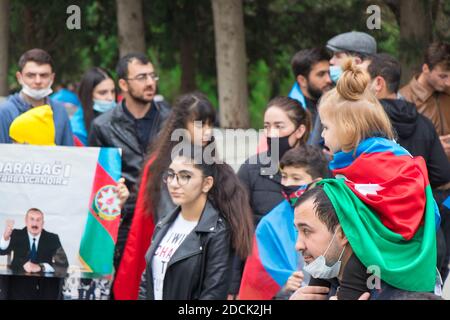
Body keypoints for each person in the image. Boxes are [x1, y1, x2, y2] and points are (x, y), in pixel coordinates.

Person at [308, 60, 439, 299]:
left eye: (326, 127)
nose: (322, 135)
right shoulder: (386, 155)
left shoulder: (370, 164)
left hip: (393, 261)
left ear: (347, 127)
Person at [113, 92, 216, 300]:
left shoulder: (206, 158)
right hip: (176, 258)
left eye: (210, 125)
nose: (207, 132)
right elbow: (172, 218)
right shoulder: (167, 164)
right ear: (182, 126)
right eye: (199, 125)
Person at [88, 53, 171, 270]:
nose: (151, 82)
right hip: (125, 222)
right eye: (142, 77)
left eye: (153, 76)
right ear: (123, 84)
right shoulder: (103, 126)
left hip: (167, 217)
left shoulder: (172, 120)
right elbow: (97, 185)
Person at [138, 144, 253, 300]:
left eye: (185, 176)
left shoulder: (217, 231)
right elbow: (147, 283)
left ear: (207, 183)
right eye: (171, 175)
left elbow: (213, 294)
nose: (174, 183)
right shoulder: (164, 224)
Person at [290, 184, 439, 300]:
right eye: (297, 231)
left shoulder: (400, 293)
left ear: (343, 234)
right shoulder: (321, 286)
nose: (298, 245)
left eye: (307, 231)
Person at [239, 145, 329, 300]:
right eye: (284, 176)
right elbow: (256, 281)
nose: (287, 184)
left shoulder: (332, 217)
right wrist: (283, 288)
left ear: (316, 183)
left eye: (296, 178)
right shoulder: (269, 224)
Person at [0, 48, 73, 146]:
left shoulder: (60, 111)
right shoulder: (4, 112)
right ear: (19, 77)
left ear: (52, 78)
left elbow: (69, 154)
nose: (38, 81)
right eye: (31, 75)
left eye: (44, 75)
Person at [0, 208, 69, 299]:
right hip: (18, 289)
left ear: (43, 223)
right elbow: (2, 251)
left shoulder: (52, 238)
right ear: (26, 221)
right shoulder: (16, 234)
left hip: (44, 290)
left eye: (38, 220)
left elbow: (63, 264)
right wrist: (5, 237)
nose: (35, 224)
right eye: (32, 219)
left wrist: (41, 267)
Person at [400, 42, 450, 159]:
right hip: (423, 174)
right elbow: (398, 148)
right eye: (443, 76)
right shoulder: (403, 99)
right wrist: (433, 149)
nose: (448, 83)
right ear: (426, 68)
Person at [72, 67, 116, 146]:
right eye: (102, 93)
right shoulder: (77, 129)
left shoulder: (123, 117)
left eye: (113, 92)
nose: (110, 98)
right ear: (88, 95)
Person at [289, 47, 333, 127]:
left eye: (329, 73)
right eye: (321, 74)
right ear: (302, 80)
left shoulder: (337, 104)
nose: (329, 80)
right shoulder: (286, 113)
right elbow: (274, 138)